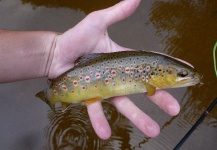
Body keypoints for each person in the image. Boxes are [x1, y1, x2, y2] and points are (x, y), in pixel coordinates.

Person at [0, 0, 180, 139]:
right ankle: (53, 95)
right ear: (158, 74)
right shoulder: (151, 79)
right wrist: (52, 53)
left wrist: (51, 53)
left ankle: (54, 94)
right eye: (181, 75)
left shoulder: (152, 75)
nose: (183, 77)